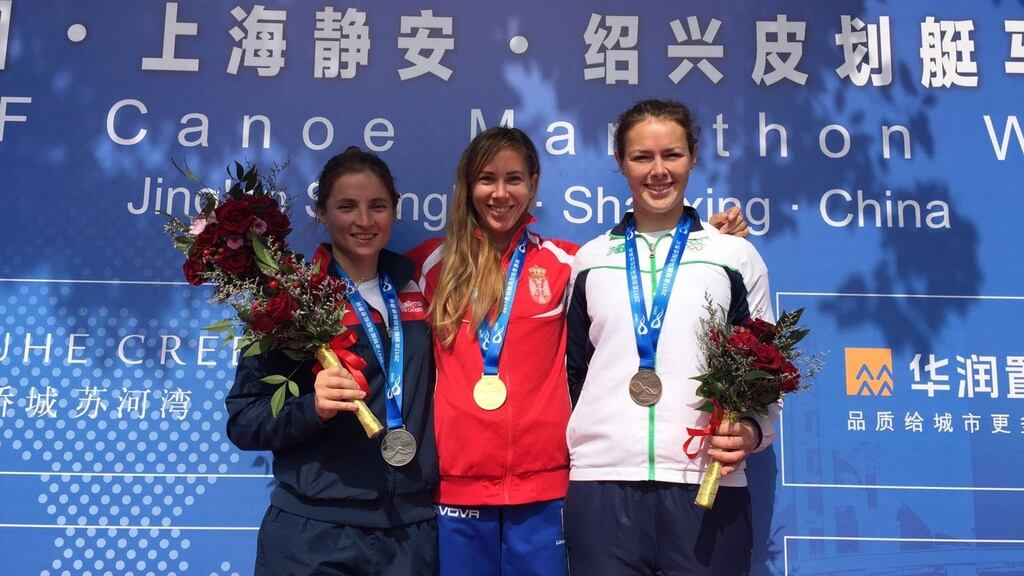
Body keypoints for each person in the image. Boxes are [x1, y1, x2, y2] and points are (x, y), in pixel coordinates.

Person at [407, 126, 750, 576]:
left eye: (514, 179)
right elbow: (366, 282)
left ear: (533, 183)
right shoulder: (429, 265)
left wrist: (712, 237)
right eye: (487, 179)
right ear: (468, 186)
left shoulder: (568, 262)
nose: (500, 193)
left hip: (544, 487)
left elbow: (639, 272)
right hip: (457, 486)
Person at [564, 99, 778, 576]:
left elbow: (764, 370)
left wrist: (750, 429)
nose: (658, 171)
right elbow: (574, 372)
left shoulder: (734, 257)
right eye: (642, 157)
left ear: (693, 156)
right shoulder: (590, 260)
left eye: (672, 155)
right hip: (602, 485)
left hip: (707, 482)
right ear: (621, 162)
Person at [226, 147, 438, 576]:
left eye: (377, 206)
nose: (364, 220)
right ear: (321, 212)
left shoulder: (424, 286)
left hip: (409, 534)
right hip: (314, 535)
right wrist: (312, 409)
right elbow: (245, 421)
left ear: (395, 210)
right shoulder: (287, 301)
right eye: (346, 207)